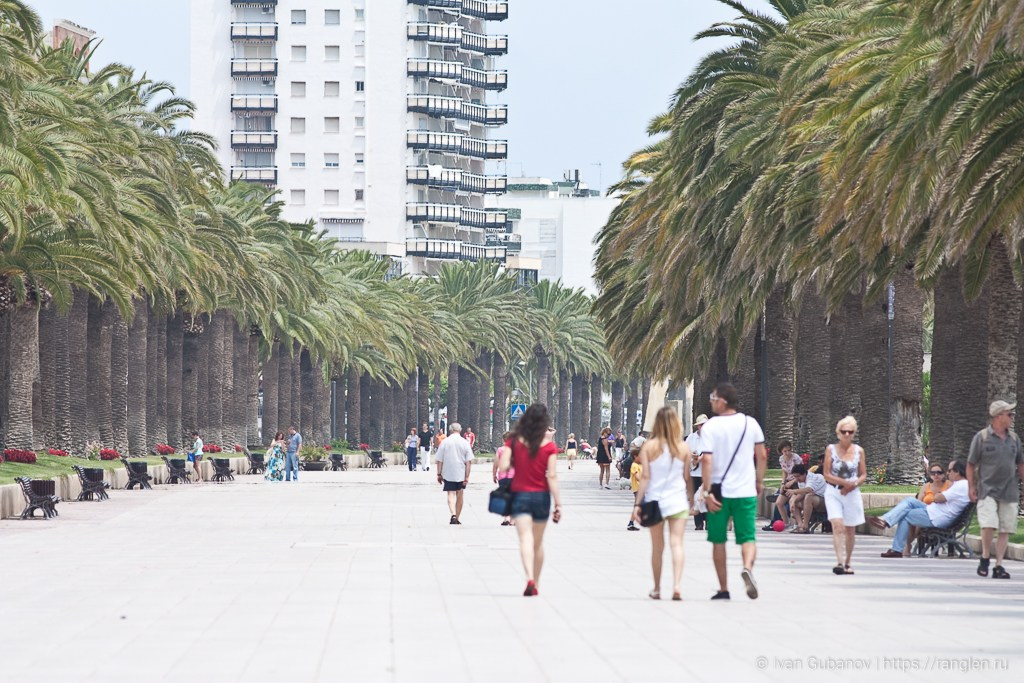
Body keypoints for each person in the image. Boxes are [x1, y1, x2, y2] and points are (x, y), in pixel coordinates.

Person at [700, 382, 767, 600]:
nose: (710, 401)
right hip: (745, 490)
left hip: (719, 492)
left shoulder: (711, 427)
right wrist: (759, 481)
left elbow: (707, 460)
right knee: (748, 537)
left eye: (712, 397)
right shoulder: (751, 424)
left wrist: (707, 490)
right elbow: (762, 455)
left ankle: (723, 588)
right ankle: (747, 567)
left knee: (718, 540)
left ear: (722, 401)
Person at [497, 404, 562, 597]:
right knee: (538, 542)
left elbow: (503, 466)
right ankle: (537, 582)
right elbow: (552, 476)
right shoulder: (549, 447)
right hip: (541, 496)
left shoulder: (514, 443)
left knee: (525, 538)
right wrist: (558, 503)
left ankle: (529, 578)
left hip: (520, 495)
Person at [631, 407, 694, 600]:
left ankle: (657, 588)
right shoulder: (683, 447)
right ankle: (676, 586)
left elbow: (646, 478)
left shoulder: (650, 447)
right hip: (677, 502)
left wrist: (637, 505)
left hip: (654, 502)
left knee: (657, 548)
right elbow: (687, 478)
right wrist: (691, 500)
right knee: (677, 544)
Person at [967, 400, 1024, 579]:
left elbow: (1020, 463)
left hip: (1009, 490)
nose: (1012, 417)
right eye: (1009, 414)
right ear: (998, 416)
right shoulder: (982, 437)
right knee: (988, 524)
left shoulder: (1014, 439)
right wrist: (971, 486)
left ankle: (999, 564)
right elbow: (970, 464)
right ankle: (985, 557)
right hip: (987, 490)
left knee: (1006, 528)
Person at [873, 461, 970, 557]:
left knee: (905, 515)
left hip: (937, 517)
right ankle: (885, 520)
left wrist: (937, 496)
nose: (948, 473)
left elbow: (938, 498)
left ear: (957, 472)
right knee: (910, 501)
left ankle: (897, 549)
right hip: (934, 512)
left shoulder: (960, 485)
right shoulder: (961, 484)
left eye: (949, 471)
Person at [821, 416, 867, 575]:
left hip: (852, 493)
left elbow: (863, 474)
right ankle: (839, 561)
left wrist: (852, 485)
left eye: (850, 431)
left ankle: (848, 562)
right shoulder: (831, 449)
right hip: (834, 491)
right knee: (837, 525)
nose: (847, 434)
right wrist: (843, 482)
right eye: (843, 431)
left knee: (850, 529)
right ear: (838, 432)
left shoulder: (859, 451)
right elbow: (826, 473)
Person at [899, 461, 953, 555]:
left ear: (944, 474)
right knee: (911, 515)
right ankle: (908, 544)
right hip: (925, 511)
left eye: (939, 473)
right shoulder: (926, 486)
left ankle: (907, 545)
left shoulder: (949, 485)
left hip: (940, 514)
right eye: (933, 473)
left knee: (912, 518)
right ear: (930, 474)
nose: (936, 475)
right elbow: (918, 502)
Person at [435, 423, 474, 524]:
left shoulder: (445, 442)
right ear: (460, 430)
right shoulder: (464, 442)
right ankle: (457, 517)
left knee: (450, 493)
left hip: (448, 472)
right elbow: (468, 462)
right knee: (460, 494)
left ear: (450, 430)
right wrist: (467, 476)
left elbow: (439, 460)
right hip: (461, 472)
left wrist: (439, 474)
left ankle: (452, 514)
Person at [785, 464, 827, 533]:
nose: (797, 479)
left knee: (809, 497)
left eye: (798, 476)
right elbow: (802, 493)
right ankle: (800, 525)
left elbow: (809, 490)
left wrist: (794, 491)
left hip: (825, 501)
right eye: (795, 477)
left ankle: (805, 525)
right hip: (815, 500)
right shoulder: (801, 481)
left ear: (804, 474)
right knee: (794, 498)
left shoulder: (813, 477)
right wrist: (793, 502)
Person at [686, 414, 709, 530]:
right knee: (696, 498)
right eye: (701, 425)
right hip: (694, 473)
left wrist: (700, 458)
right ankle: (699, 523)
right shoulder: (691, 438)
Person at [492, 431, 516, 526]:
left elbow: (496, 464)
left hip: (502, 477)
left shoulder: (500, 450)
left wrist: (494, 474)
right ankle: (513, 520)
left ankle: (506, 518)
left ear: (503, 440)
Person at [627, 452, 642, 531]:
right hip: (638, 489)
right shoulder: (634, 465)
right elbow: (637, 477)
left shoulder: (640, 465)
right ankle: (631, 523)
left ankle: (631, 523)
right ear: (635, 456)